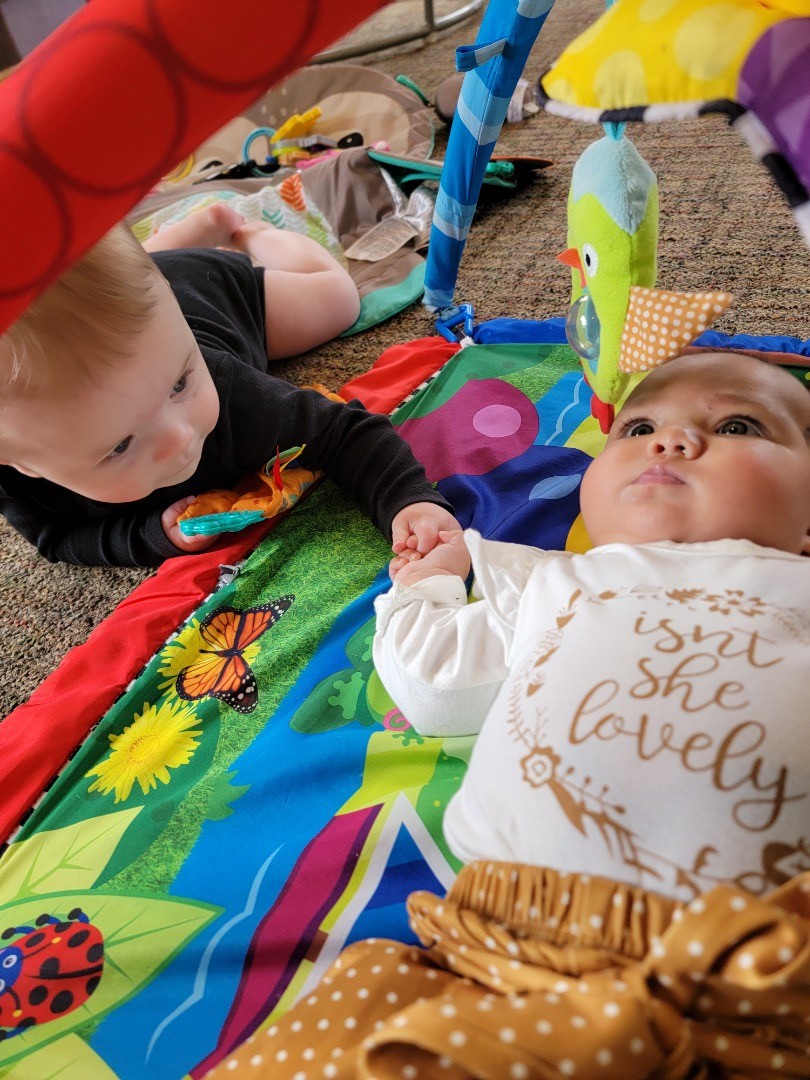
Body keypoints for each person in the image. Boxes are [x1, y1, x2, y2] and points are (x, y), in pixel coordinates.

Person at [207, 351, 809, 1079]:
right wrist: (427, 587)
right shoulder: (551, 582)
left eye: (738, 424)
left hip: (765, 971)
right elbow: (437, 685)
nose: (669, 440)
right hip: (505, 954)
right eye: (639, 425)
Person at [0, 204, 459, 565]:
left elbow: (344, 434)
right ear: (18, 463)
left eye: (180, 383)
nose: (181, 437)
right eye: (118, 446)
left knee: (338, 300)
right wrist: (153, 535)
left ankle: (243, 230)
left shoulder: (227, 388)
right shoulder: (17, 474)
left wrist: (407, 502)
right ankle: (189, 232)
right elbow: (58, 540)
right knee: (150, 269)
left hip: (213, 291)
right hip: (160, 284)